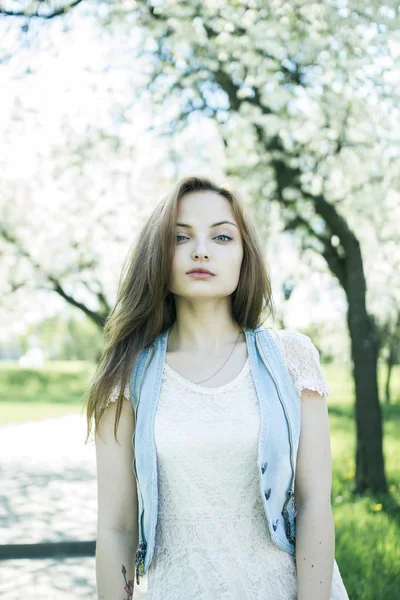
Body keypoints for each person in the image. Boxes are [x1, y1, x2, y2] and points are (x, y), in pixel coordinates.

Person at [85, 175, 350, 600]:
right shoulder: (125, 375)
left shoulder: (292, 358)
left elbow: (314, 503)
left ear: (245, 254)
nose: (201, 250)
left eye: (222, 236)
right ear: (158, 255)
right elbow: (116, 528)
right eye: (180, 237)